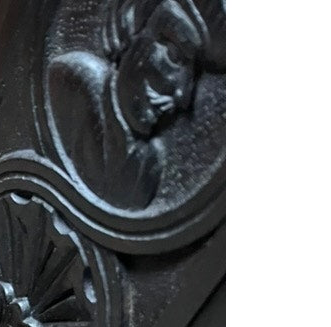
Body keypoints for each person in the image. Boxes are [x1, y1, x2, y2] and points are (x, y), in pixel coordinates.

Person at [46, 0, 225, 211]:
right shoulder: (69, 84)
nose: (182, 96)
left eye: (193, 76)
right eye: (174, 57)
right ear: (132, 29)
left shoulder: (148, 166)